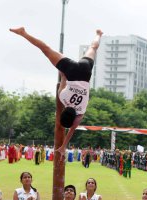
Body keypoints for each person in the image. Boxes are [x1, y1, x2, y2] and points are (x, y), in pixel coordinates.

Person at [10, 27, 103, 158]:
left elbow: (71, 130)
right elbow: (63, 77)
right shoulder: (63, 97)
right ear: (63, 112)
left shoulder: (81, 111)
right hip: (71, 70)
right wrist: (60, 64)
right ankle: (23, 33)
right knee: (46, 49)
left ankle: (99, 34)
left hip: (85, 71)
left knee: (93, 48)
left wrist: (64, 145)